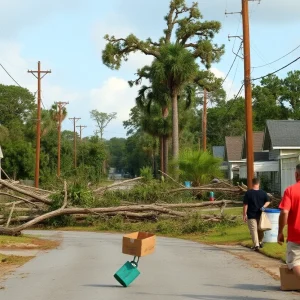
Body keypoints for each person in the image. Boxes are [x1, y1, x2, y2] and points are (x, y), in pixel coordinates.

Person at [278, 164, 300, 277]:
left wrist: (280, 232)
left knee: (295, 261)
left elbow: (284, 212)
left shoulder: (290, 191)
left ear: (296, 175)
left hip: (296, 233)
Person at [243, 178, 270, 251]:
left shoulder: (248, 193)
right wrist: (263, 207)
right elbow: (268, 201)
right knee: (260, 229)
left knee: (253, 230)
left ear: (252, 184)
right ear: (259, 184)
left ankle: (257, 245)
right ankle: (260, 242)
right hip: (260, 214)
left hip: (251, 214)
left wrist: (244, 215)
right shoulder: (263, 193)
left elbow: (246, 205)